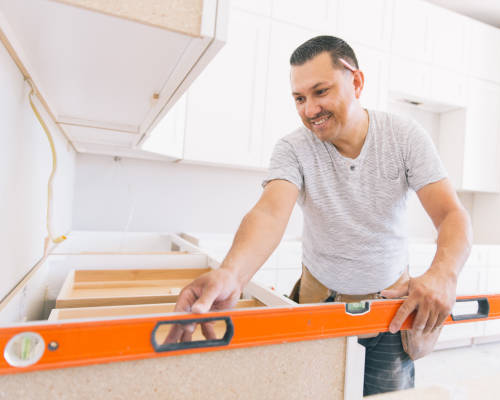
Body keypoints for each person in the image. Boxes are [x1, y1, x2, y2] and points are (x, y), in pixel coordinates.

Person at [165, 35, 472, 395]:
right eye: (299, 98)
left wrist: (442, 275)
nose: (310, 110)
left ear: (356, 82)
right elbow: (268, 213)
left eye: (320, 92)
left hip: (389, 314)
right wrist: (231, 273)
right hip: (318, 304)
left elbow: (451, 214)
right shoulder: (294, 148)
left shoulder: (404, 137)